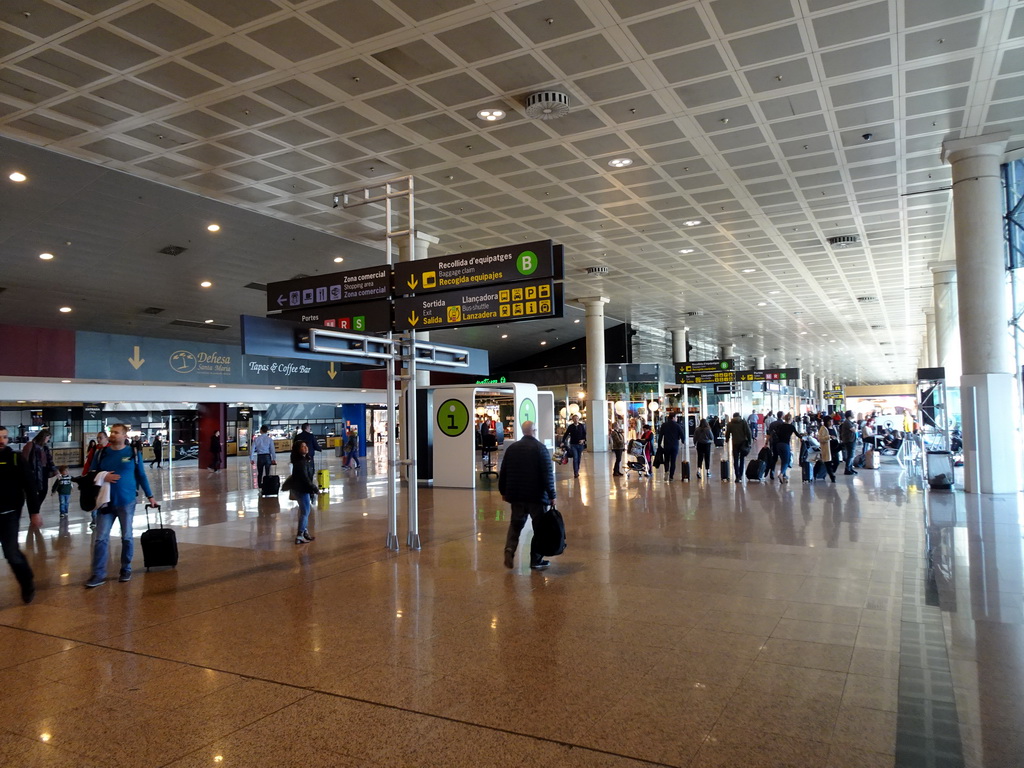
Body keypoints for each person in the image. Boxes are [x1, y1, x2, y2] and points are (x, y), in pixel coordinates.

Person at [85, 423, 156, 588]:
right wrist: (104, 476)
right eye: (111, 432)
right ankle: (98, 573)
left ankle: (126, 568)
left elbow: (142, 476)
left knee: (127, 536)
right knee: (101, 538)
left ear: (125, 436)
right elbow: (90, 474)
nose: (112, 435)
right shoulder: (101, 453)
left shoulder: (133, 453)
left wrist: (150, 496)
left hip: (126, 501)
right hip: (105, 503)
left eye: (116, 432)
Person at [498, 420, 555, 571]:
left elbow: (503, 471)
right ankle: (536, 560)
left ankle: (509, 550)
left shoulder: (512, 449)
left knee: (515, 525)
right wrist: (552, 494)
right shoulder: (540, 448)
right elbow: (547, 475)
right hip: (536, 497)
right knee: (539, 528)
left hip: (516, 495)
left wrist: (503, 491)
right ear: (534, 430)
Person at [0, 425, 40, 604]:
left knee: (11, 552)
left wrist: (34, 512)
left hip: (9, 513)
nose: (2, 441)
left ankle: (27, 582)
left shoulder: (15, 458)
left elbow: (30, 486)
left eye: (5, 437)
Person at [288, 442, 318, 545]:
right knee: (305, 512)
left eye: (306, 445)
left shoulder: (304, 460)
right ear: (298, 449)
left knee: (304, 511)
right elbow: (305, 478)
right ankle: (300, 535)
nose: (305, 448)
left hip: (301, 488)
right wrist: (313, 488)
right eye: (302, 446)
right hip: (301, 489)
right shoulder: (301, 462)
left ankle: (305, 532)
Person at [22, 429, 56, 517]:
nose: (48, 440)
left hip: (44, 472)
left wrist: (55, 471)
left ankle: (35, 510)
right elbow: (24, 459)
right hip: (33, 472)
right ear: (43, 437)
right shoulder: (30, 445)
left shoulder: (45, 447)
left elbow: (49, 460)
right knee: (32, 493)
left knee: (43, 491)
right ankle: (34, 512)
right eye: (47, 438)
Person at [772, 413, 802, 484]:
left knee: (783, 460)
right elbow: (798, 435)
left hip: (778, 444)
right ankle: (781, 474)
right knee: (787, 461)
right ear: (790, 419)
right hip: (785, 445)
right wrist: (802, 437)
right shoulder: (791, 427)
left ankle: (784, 475)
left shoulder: (780, 426)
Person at [725, 412, 752, 483]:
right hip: (743, 443)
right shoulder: (743, 422)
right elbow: (748, 432)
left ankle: (737, 476)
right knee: (742, 459)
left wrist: (727, 439)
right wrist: (749, 441)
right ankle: (740, 475)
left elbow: (727, 433)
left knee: (736, 460)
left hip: (735, 443)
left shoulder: (730, 424)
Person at [657, 413, 685, 481]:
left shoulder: (664, 425)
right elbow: (682, 435)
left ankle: (666, 471)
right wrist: (683, 441)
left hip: (667, 445)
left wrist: (659, 444)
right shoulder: (677, 425)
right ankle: (671, 477)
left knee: (666, 460)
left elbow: (660, 436)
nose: (677, 418)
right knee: (673, 461)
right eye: (676, 417)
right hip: (675, 446)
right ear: (673, 417)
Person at [561, 414, 586, 478]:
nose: (576, 420)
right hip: (573, 445)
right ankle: (576, 472)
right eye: (574, 419)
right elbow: (566, 434)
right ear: (572, 420)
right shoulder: (571, 427)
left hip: (580, 445)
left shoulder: (581, 426)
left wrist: (583, 440)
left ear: (578, 419)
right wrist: (563, 442)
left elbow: (584, 434)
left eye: (577, 418)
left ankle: (577, 470)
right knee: (575, 458)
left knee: (579, 458)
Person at [817, 417, 838, 482]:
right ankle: (832, 476)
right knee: (828, 462)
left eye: (832, 421)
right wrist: (828, 437)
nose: (831, 422)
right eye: (830, 421)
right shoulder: (823, 429)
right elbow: (820, 438)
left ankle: (831, 471)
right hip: (827, 448)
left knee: (836, 461)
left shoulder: (834, 428)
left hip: (835, 448)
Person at [840, 410, 858, 475]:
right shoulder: (847, 422)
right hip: (849, 440)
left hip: (851, 440)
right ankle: (847, 469)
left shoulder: (849, 422)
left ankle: (850, 468)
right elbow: (854, 430)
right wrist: (856, 426)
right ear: (849, 415)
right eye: (853, 413)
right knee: (850, 455)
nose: (854, 414)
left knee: (851, 455)